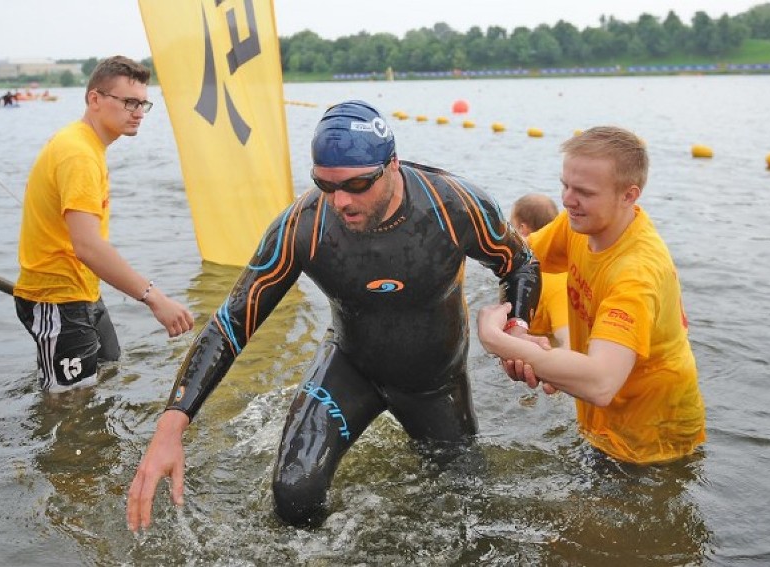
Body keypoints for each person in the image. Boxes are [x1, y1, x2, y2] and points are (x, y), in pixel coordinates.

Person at [127, 100, 545, 529]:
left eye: (357, 185)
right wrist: (172, 424)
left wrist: (517, 327)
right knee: (294, 496)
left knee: (469, 507)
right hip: (350, 368)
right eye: (324, 185)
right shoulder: (302, 226)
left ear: (392, 166)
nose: (340, 201)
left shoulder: (453, 207)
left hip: (434, 382)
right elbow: (234, 319)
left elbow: (520, 264)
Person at [478, 126, 706, 465]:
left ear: (629, 195)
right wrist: (520, 326)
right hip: (601, 424)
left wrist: (495, 339)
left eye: (583, 191)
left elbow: (600, 382)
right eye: (565, 186)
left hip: (654, 444)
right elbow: (518, 261)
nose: (568, 200)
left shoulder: (636, 273)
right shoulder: (576, 224)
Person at [13, 56, 194, 391]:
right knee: (70, 406)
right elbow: (88, 246)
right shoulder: (78, 153)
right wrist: (155, 297)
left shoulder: (87, 146)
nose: (138, 112)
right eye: (128, 102)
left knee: (109, 372)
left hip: (82, 292)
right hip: (56, 296)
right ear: (94, 99)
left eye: (142, 103)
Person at [510, 193, 569, 348]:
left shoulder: (556, 282)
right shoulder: (568, 271)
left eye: (511, 226)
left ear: (522, 229)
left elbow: (569, 340)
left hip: (536, 352)